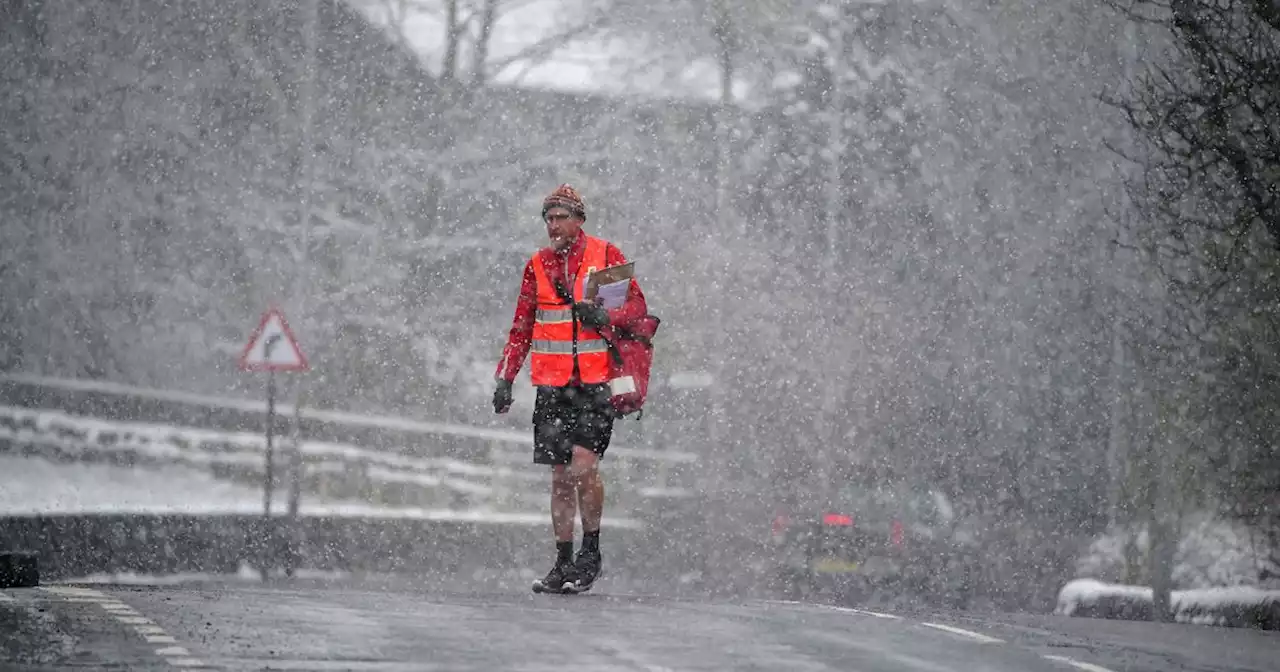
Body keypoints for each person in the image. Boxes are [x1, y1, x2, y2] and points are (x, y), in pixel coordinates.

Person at [492, 183, 648, 594]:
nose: (554, 225)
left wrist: (604, 313)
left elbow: (636, 309)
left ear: (580, 219)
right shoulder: (537, 266)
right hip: (552, 385)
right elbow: (522, 325)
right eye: (548, 218)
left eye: (561, 217)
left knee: (583, 466)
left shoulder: (605, 255)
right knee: (560, 477)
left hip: (597, 384)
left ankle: (591, 553)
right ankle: (562, 562)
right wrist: (505, 376)